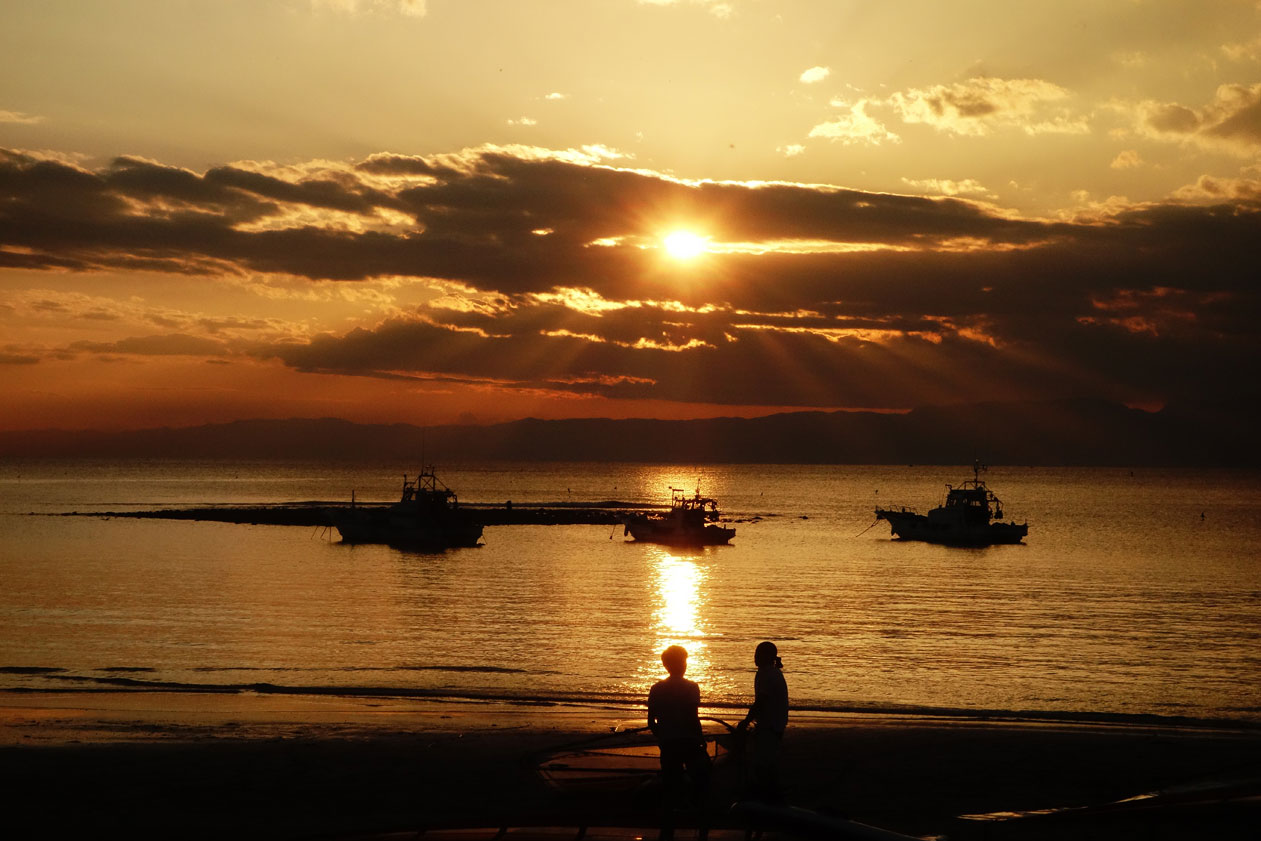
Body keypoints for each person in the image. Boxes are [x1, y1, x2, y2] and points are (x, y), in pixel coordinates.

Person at [647, 644, 711, 804]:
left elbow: (651, 721)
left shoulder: (656, 688)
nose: (684, 665)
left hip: (668, 742)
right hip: (688, 741)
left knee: (671, 782)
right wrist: (700, 738)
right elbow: (692, 717)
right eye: (683, 662)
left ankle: (672, 810)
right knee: (700, 780)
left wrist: (663, 735)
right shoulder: (691, 687)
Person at [737, 640, 788, 802]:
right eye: (756, 653)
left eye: (759, 654)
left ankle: (769, 798)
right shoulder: (770, 672)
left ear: (767, 657)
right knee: (767, 761)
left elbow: (760, 702)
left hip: (771, 725)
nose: (755, 657)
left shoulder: (768, 675)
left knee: (763, 763)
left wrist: (746, 721)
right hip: (774, 723)